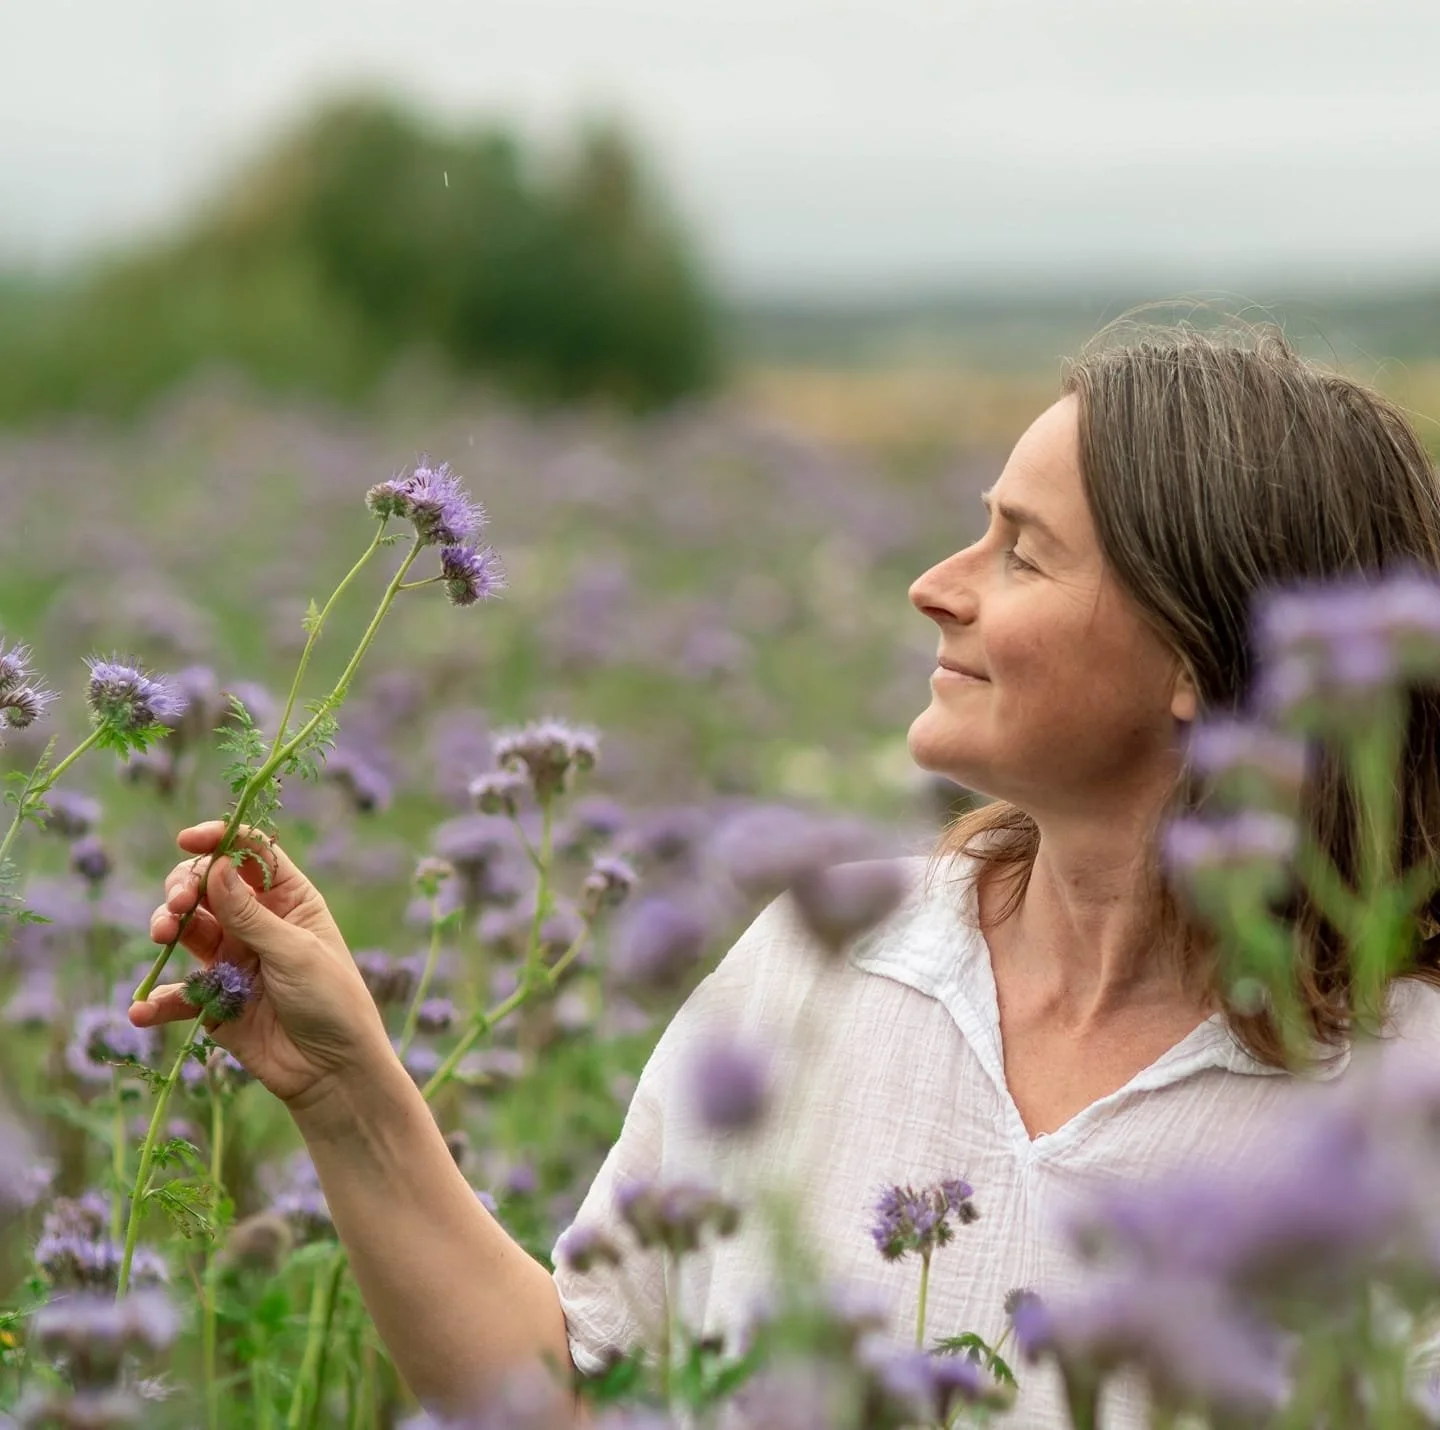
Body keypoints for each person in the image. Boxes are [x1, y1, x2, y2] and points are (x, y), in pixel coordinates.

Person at [129, 320, 1440, 1427]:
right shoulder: (827, 957)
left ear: (1198, 661)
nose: (937, 586)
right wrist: (348, 1087)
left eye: (1021, 553)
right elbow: (578, 1388)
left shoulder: (1398, 1107)